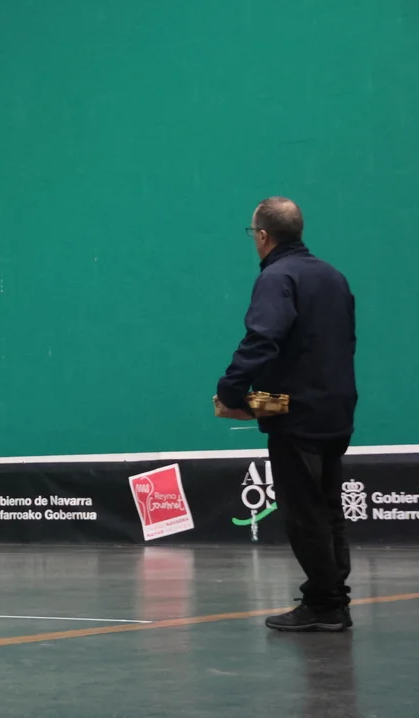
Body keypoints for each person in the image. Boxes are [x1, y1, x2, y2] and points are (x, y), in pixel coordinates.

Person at [215, 197, 358, 632]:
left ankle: (325, 606)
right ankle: (331, 600)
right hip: (337, 409)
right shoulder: (333, 276)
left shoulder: (276, 277)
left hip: (296, 415)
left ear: (262, 235)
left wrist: (231, 391)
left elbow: (263, 338)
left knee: (305, 513)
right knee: (328, 509)